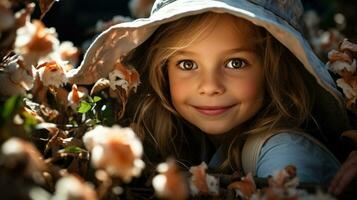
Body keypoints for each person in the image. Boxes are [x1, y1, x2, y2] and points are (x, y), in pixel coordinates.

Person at [68, 0, 354, 185]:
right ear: (162, 71)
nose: (210, 86)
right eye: (187, 64)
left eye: (235, 63)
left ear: (273, 69)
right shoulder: (185, 142)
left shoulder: (283, 154)